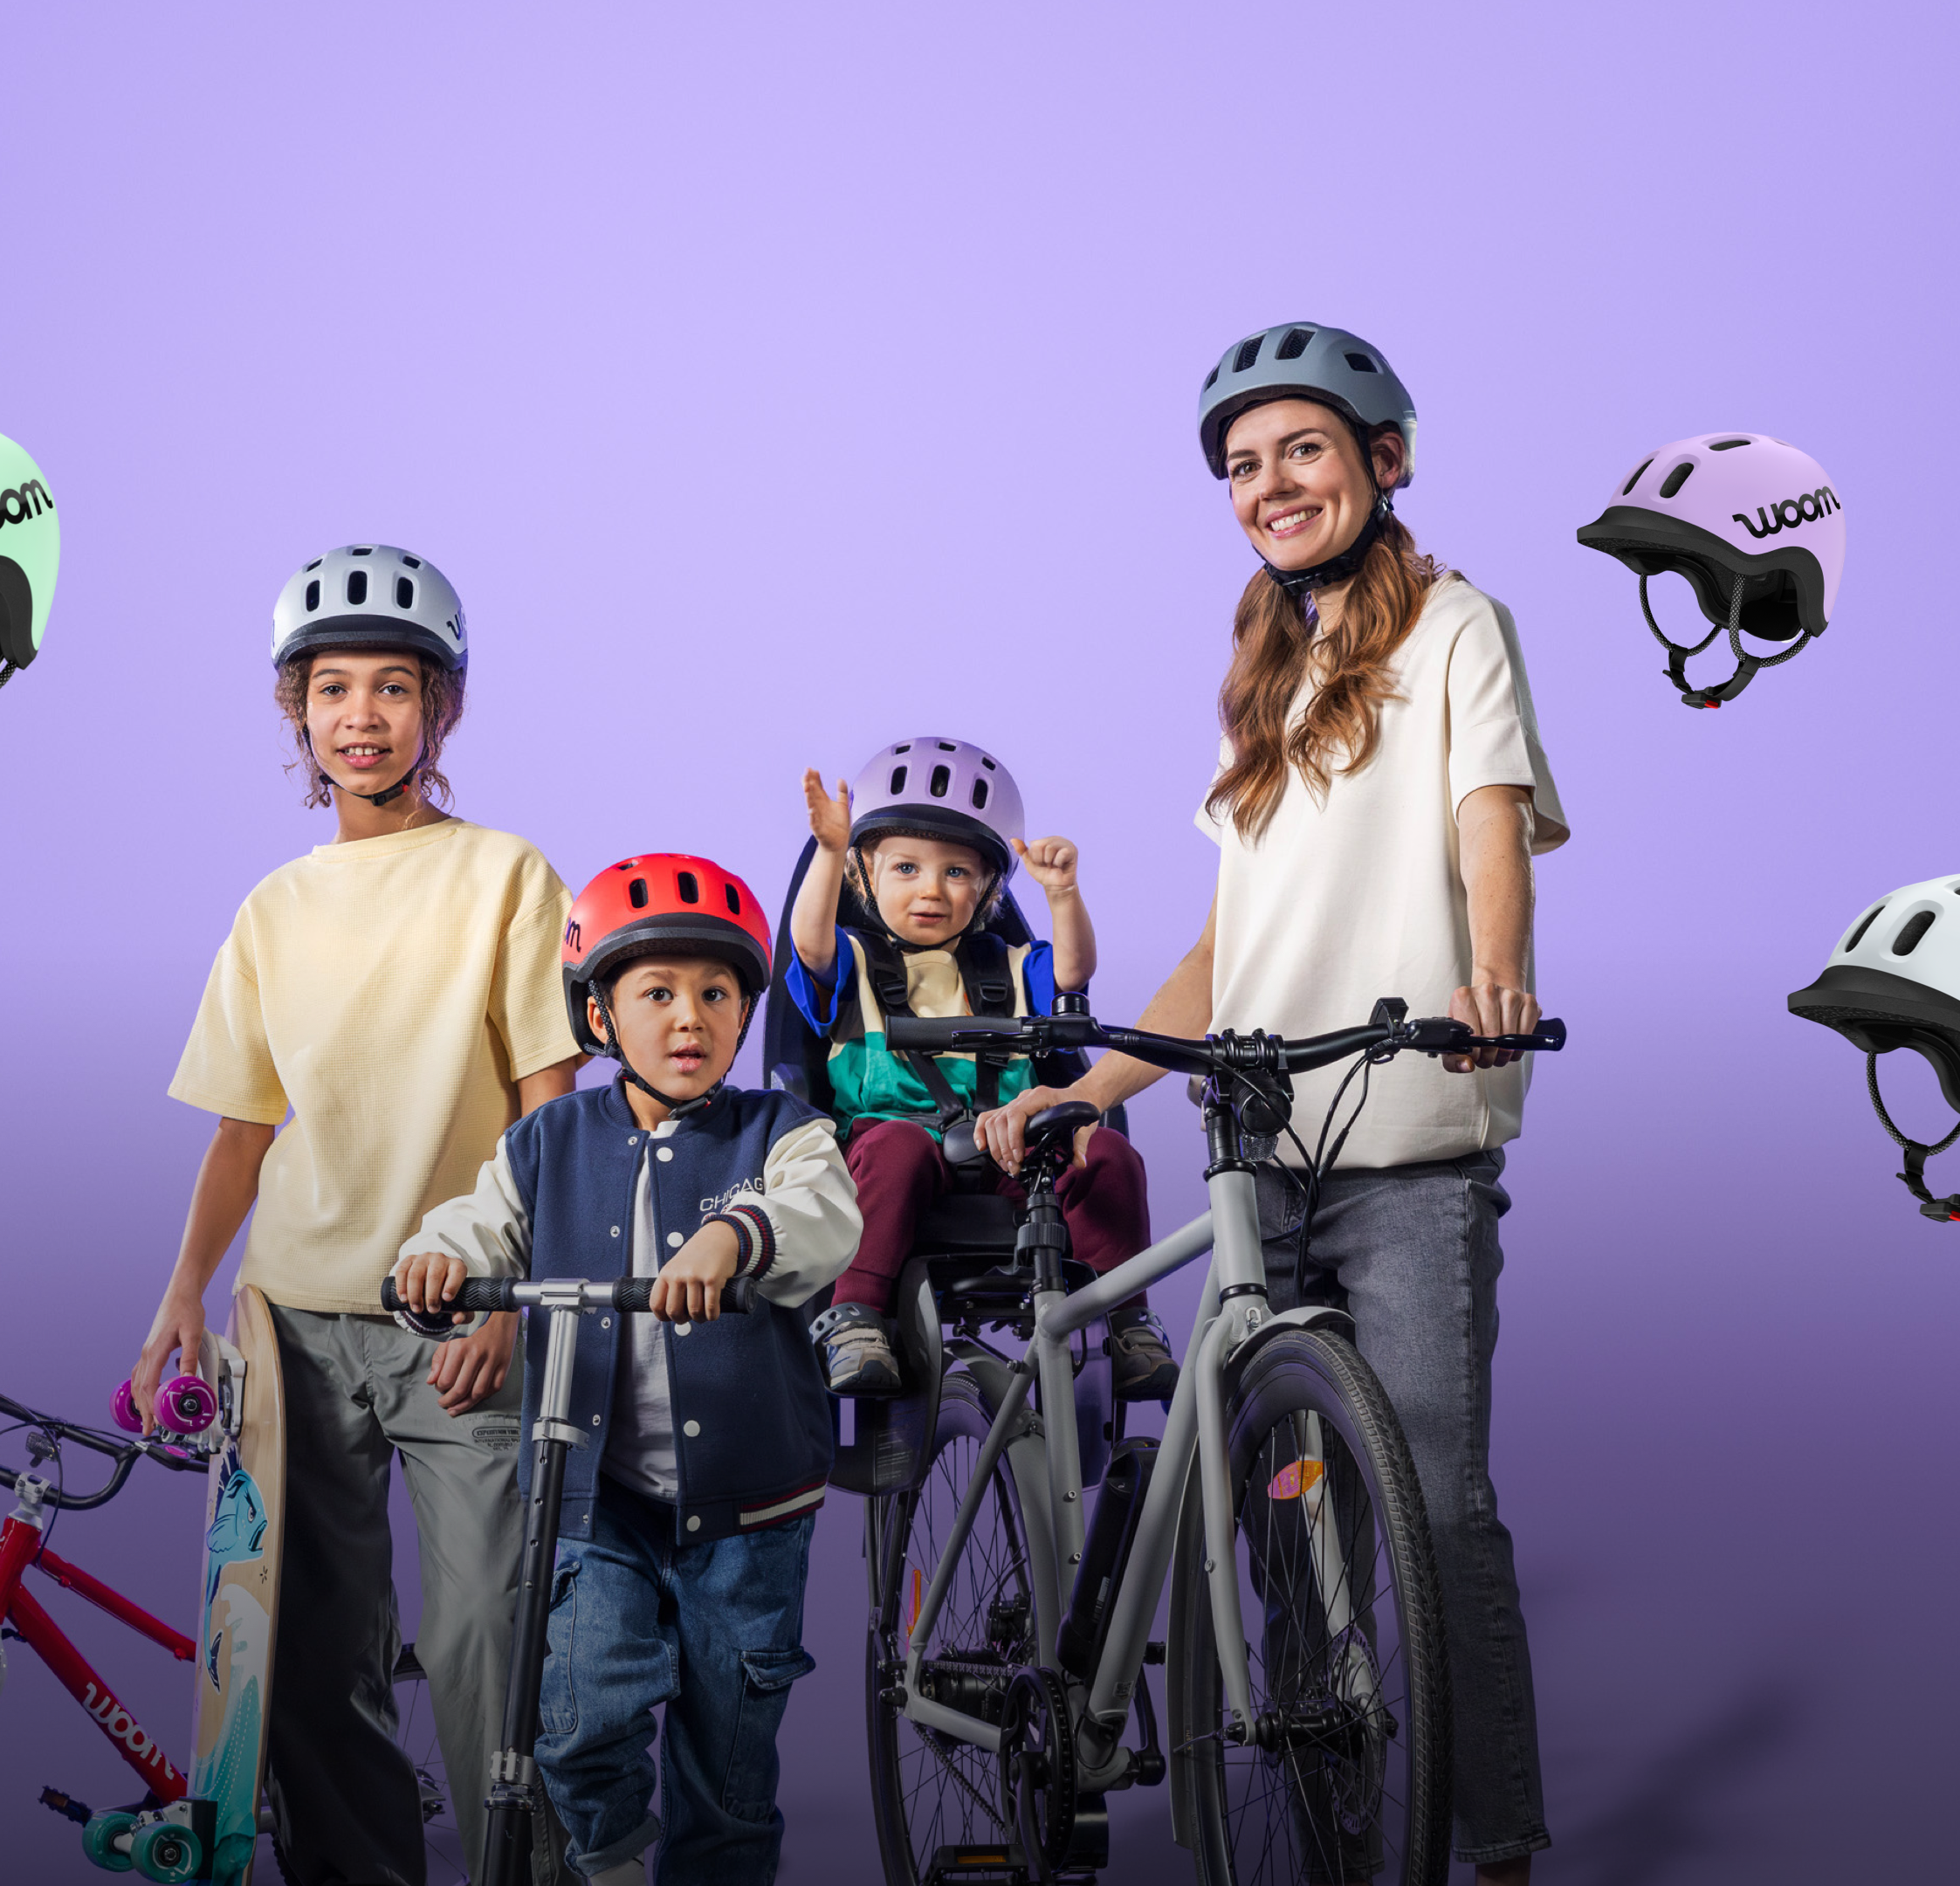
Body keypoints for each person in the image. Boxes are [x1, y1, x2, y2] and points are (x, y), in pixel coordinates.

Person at [987, 322, 1571, 1879]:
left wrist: (1492, 978)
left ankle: (1496, 1850)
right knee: (1285, 1526)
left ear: (1384, 459)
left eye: (1301, 450)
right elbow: (1216, 952)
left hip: (1407, 1144)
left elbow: (1485, 826)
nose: (1270, 484)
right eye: (1242, 466)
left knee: (1436, 1508)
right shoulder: (1265, 682)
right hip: (1256, 1151)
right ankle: (1321, 1828)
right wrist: (1089, 1094)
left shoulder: (1458, 626)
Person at [129, 543, 582, 1885]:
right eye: (335, 689)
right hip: (291, 1329)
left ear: (442, 710)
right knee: (308, 1669)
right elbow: (241, 1131)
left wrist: (519, 1290)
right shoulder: (273, 909)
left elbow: (555, 1108)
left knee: (493, 1649)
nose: (364, 716)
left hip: (462, 1317)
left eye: (395, 687)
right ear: (299, 715)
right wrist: (180, 1299)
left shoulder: (506, 875)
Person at [392, 854, 858, 1886]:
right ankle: (609, 1864)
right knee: (577, 1713)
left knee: (729, 1763)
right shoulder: (547, 1139)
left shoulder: (781, 1131)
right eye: (657, 993)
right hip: (594, 1497)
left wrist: (738, 1236)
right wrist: (443, 1258)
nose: (689, 1016)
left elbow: (825, 1215)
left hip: (751, 1507)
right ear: (599, 1019)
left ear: (744, 1015)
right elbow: (483, 1224)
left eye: (716, 993)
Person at [780, 740, 1175, 1400]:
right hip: (895, 1142)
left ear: (989, 887)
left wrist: (1064, 895)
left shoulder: (1013, 965)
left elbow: (1075, 973)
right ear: (864, 877)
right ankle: (856, 1316)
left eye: (957, 873)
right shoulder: (851, 960)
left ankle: (1128, 1324)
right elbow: (810, 945)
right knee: (897, 1150)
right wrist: (827, 851)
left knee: (1107, 1153)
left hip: (1011, 1148)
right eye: (905, 868)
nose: (931, 889)